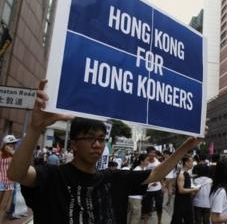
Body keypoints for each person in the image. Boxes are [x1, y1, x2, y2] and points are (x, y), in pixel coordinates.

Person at [7, 79, 204, 224]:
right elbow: (16, 173)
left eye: (101, 139)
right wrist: (34, 129)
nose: (97, 144)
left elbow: (156, 174)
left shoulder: (112, 178)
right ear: (74, 144)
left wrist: (186, 146)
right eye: (89, 138)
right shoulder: (53, 176)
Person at [170, 155, 199, 224]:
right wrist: (194, 189)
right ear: (186, 163)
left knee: (188, 219)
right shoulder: (181, 175)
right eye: (191, 162)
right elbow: (181, 190)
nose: (192, 164)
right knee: (178, 219)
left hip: (187, 200)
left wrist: (191, 189)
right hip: (181, 202)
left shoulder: (186, 173)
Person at [143, 146, 164, 224]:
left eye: (154, 152)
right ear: (148, 153)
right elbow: (141, 175)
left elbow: (160, 175)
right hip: (147, 189)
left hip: (157, 188)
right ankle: (145, 222)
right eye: (151, 152)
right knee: (146, 207)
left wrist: (163, 186)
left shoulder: (157, 162)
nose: (153, 154)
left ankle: (159, 221)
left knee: (159, 206)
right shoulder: (144, 162)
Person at [0, 135, 18, 221]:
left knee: (4, 206)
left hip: (10, 182)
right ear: (6, 144)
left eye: (14, 143)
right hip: (0, 181)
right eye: (12, 143)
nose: (13, 145)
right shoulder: (0, 153)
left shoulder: (13, 154)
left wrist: (13, 153)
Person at [127, 154, 148, 224]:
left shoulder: (143, 169)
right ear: (142, 161)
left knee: (131, 215)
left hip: (136, 196)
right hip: (135, 197)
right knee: (136, 216)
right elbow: (137, 184)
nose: (148, 162)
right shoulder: (137, 170)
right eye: (147, 160)